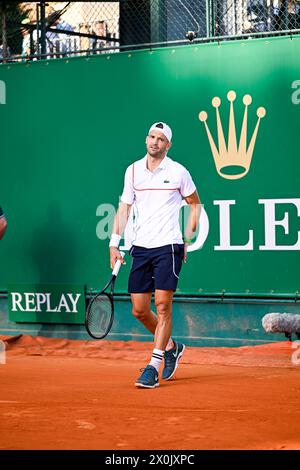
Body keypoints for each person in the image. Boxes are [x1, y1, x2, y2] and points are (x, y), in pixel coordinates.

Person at [109, 122, 201, 389]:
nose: (154, 142)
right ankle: (172, 347)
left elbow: (195, 204)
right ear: (146, 139)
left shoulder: (178, 172)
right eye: (151, 136)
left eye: (161, 139)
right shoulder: (133, 171)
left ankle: (154, 366)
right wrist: (114, 244)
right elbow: (124, 208)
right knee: (139, 309)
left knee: (162, 305)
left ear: (168, 145)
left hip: (168, 246)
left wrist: (187, 238)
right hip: (141, 247)